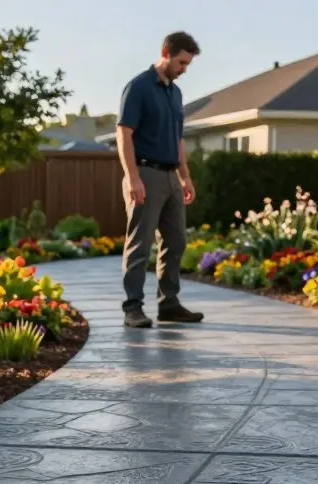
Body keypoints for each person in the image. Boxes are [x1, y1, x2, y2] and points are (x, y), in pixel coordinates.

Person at [115, 31, 204, 329]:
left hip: (170, 177)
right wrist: (133, 178)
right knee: (140, 243)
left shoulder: (175, 93)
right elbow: (123, 133)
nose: (184, 70)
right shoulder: (139, 87)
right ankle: (133, 308)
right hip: (145, 174)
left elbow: (177, 139)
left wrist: (185, 177)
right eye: (181, 62)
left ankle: (169, 303)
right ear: (165, 52)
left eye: (188, 64)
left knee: (176, 240)